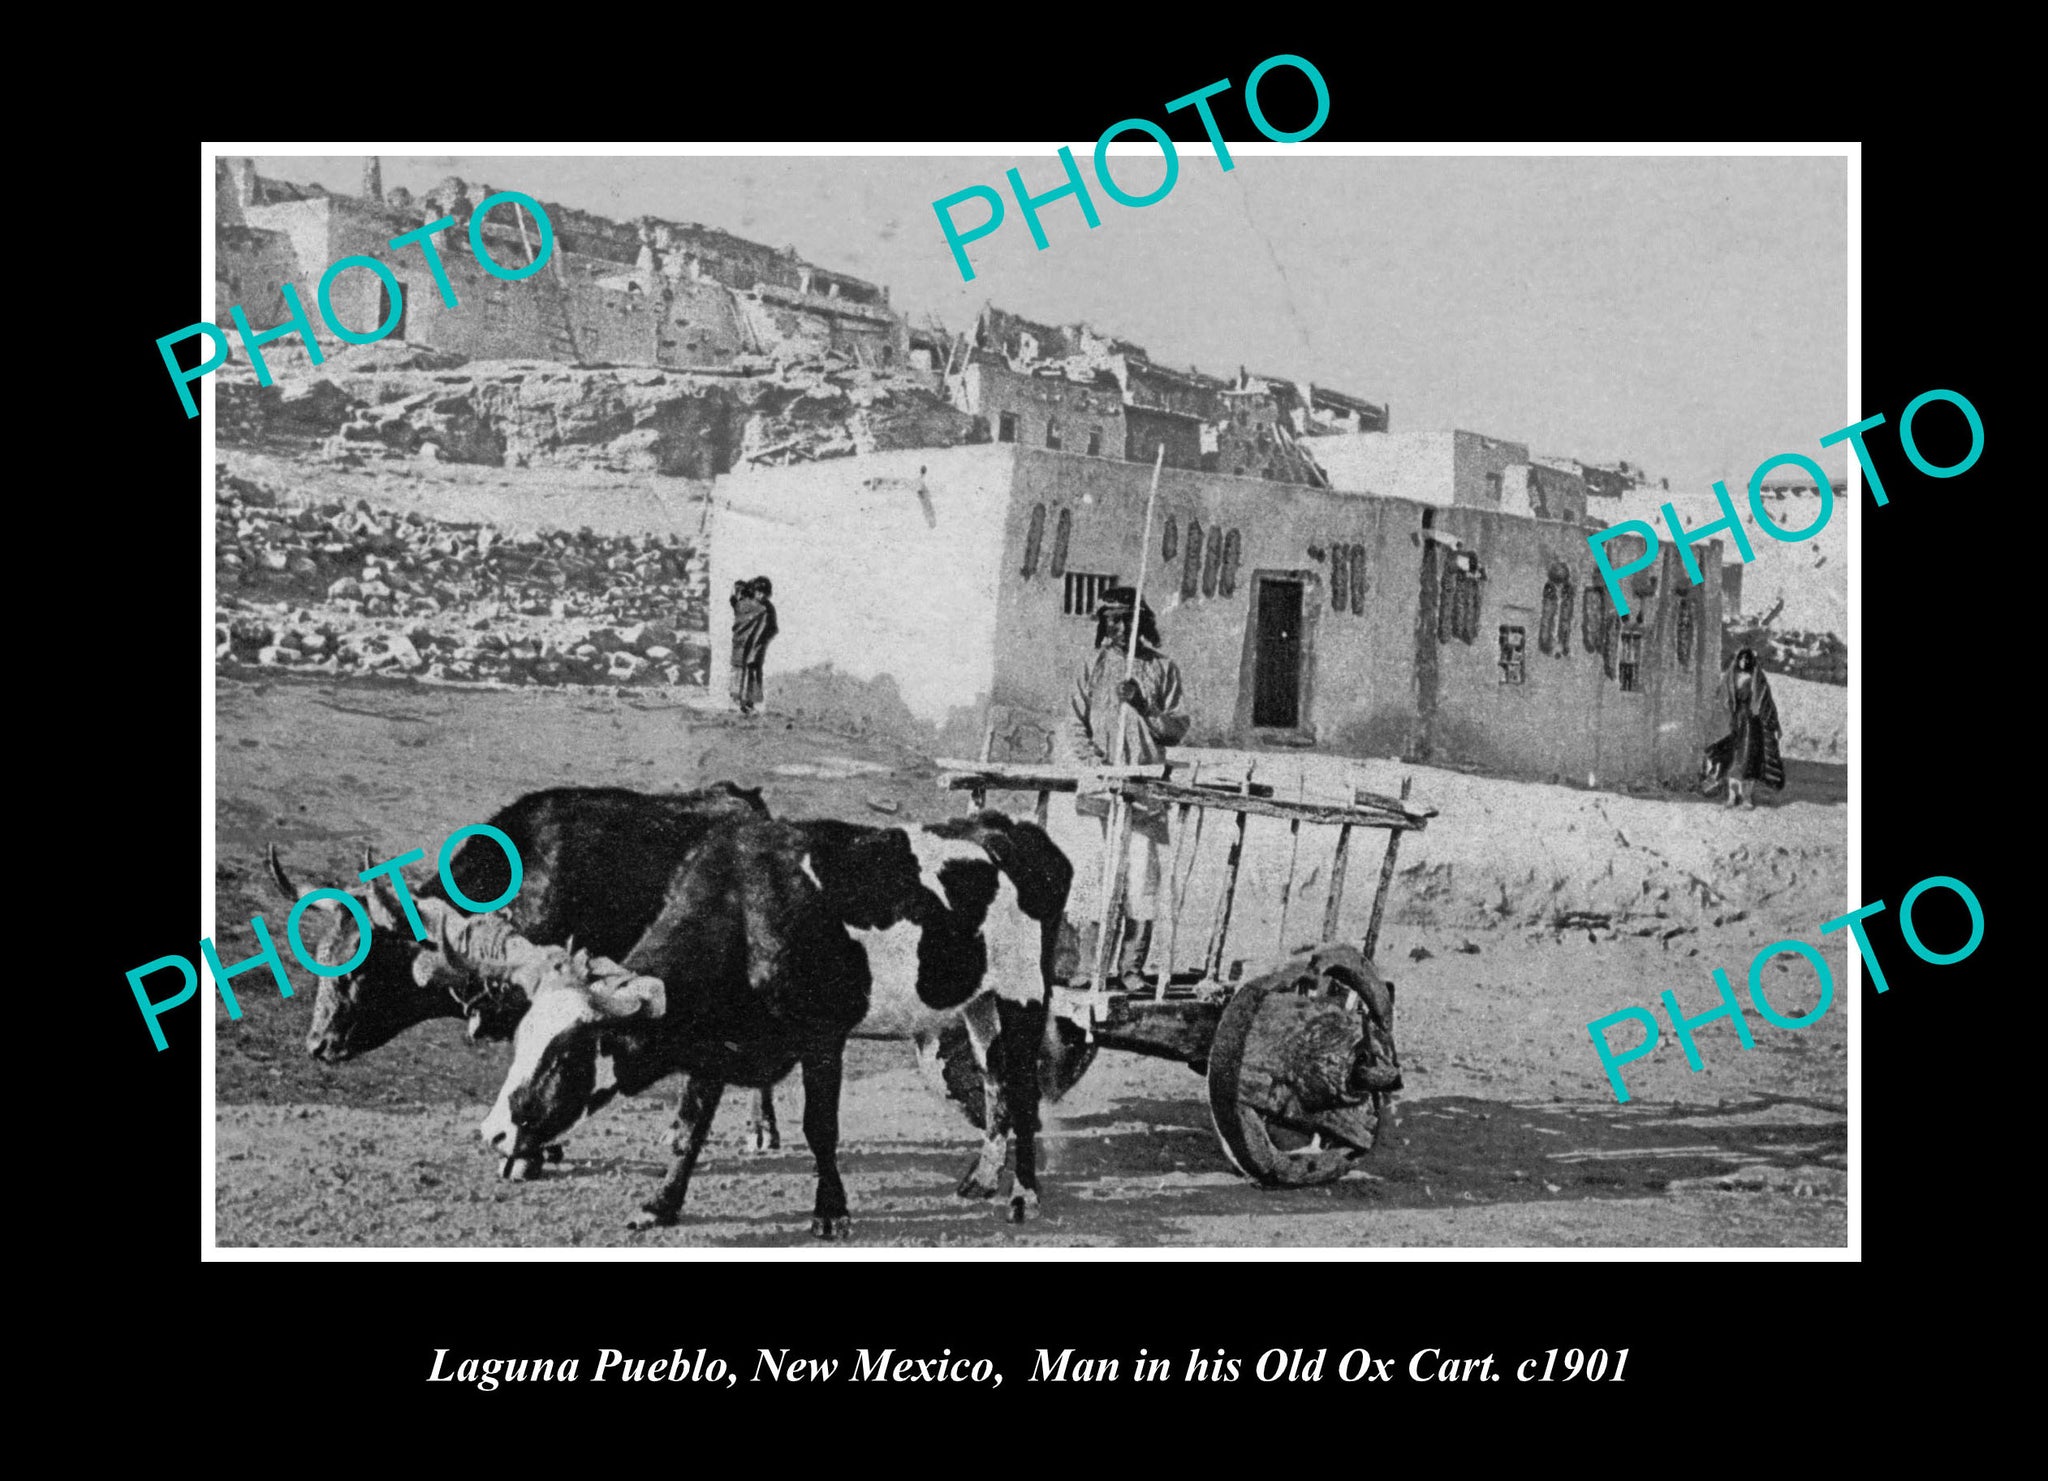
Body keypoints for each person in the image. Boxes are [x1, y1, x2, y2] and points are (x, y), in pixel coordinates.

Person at [1062, 586, 1189, 987]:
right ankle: (1087, 967)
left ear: (1142, 622)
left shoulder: (1163, 668)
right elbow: (1075, 725)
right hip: (1100, 791)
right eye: (1111, 619)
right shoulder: (1093, 666)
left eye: (1126, 618)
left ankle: (1131, 968)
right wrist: (1098, 767)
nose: (1118, 627)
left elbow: (1175, 729)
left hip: (1144, 793)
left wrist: (1143, 705)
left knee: (1141, 881)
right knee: (1095, 876)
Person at [1719, 646, 1783, 809]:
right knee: (1732, 759)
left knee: (1748, 760)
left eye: (1747, 659)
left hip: (1752, 723)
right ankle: (1732, 796)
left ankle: (1746, 797)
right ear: (1737, 660)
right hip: (1734, 722)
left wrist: (1774, 723)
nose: (1744, 661)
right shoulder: (1730, 677)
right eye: (1741, 658)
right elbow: (1722, 698)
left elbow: (1767, 702)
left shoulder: (1757, 677)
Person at [729, 576, 778, 715]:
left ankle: (748, 703)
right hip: (740, 643)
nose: (761, 595)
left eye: (764, 593)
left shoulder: (764, 608)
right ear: (753, 591)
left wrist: (760, 642)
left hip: (754, 646)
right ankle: (736, 702)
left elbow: (771, 628)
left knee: (751, 673)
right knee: (738, 670)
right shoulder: (745, 604)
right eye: (758, 592)